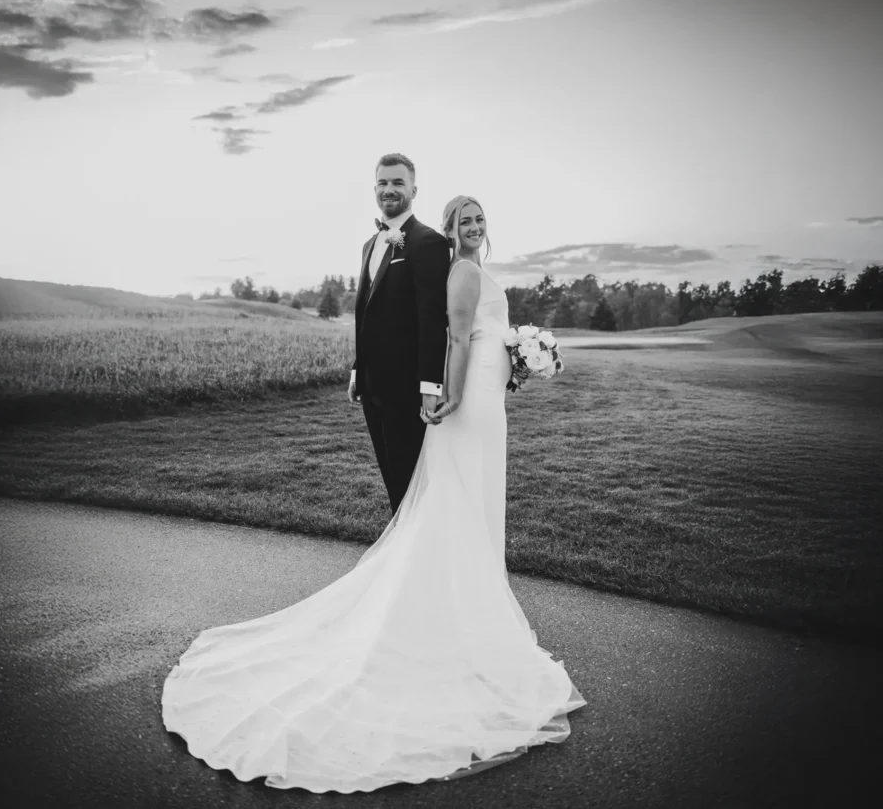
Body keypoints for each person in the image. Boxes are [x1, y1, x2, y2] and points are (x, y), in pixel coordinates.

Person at [161, 194, 586, 793]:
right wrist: (454, 395)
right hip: (470, 402)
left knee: (470, 502)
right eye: (463, 221)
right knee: (457, 503)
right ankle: (451, 623)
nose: (473, 227)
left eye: (479, 219)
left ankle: (467, 609)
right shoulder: (462, 271)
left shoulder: (479, 271)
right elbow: (458, 338)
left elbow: (481, 337)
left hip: (490, 398)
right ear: (451, 230)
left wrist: (517, 357)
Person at [348, 152, 450, 515]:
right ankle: (403, 560)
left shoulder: (428, 243)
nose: (389, 190)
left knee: (412, 482)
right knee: (393, 481)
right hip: (373, 385)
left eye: (397, 183)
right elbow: (364, 314)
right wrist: (357, 371)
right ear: (374, 188)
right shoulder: (369, 245)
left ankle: (419, 563)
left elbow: (432, 321)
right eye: (382, 183)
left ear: (414, 190)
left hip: (409, 390)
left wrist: (430, 388)